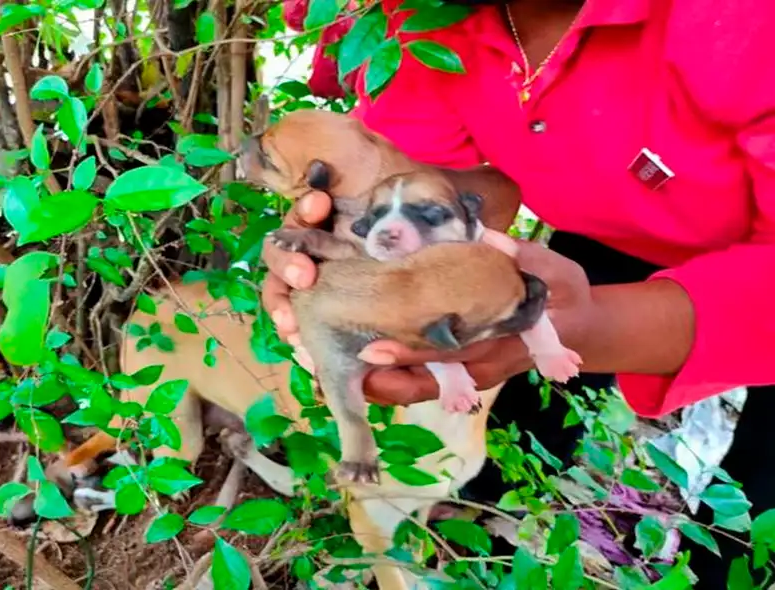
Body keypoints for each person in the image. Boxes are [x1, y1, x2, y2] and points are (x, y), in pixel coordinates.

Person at [260, 0, 775, 586]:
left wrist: (593, 326)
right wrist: (346, 243)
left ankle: (728, 565)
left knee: (763, 484)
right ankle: (487, 505)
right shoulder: (425, 19)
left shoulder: (744, 21)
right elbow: (434, 179)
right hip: (613, 230)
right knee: (535, 395)